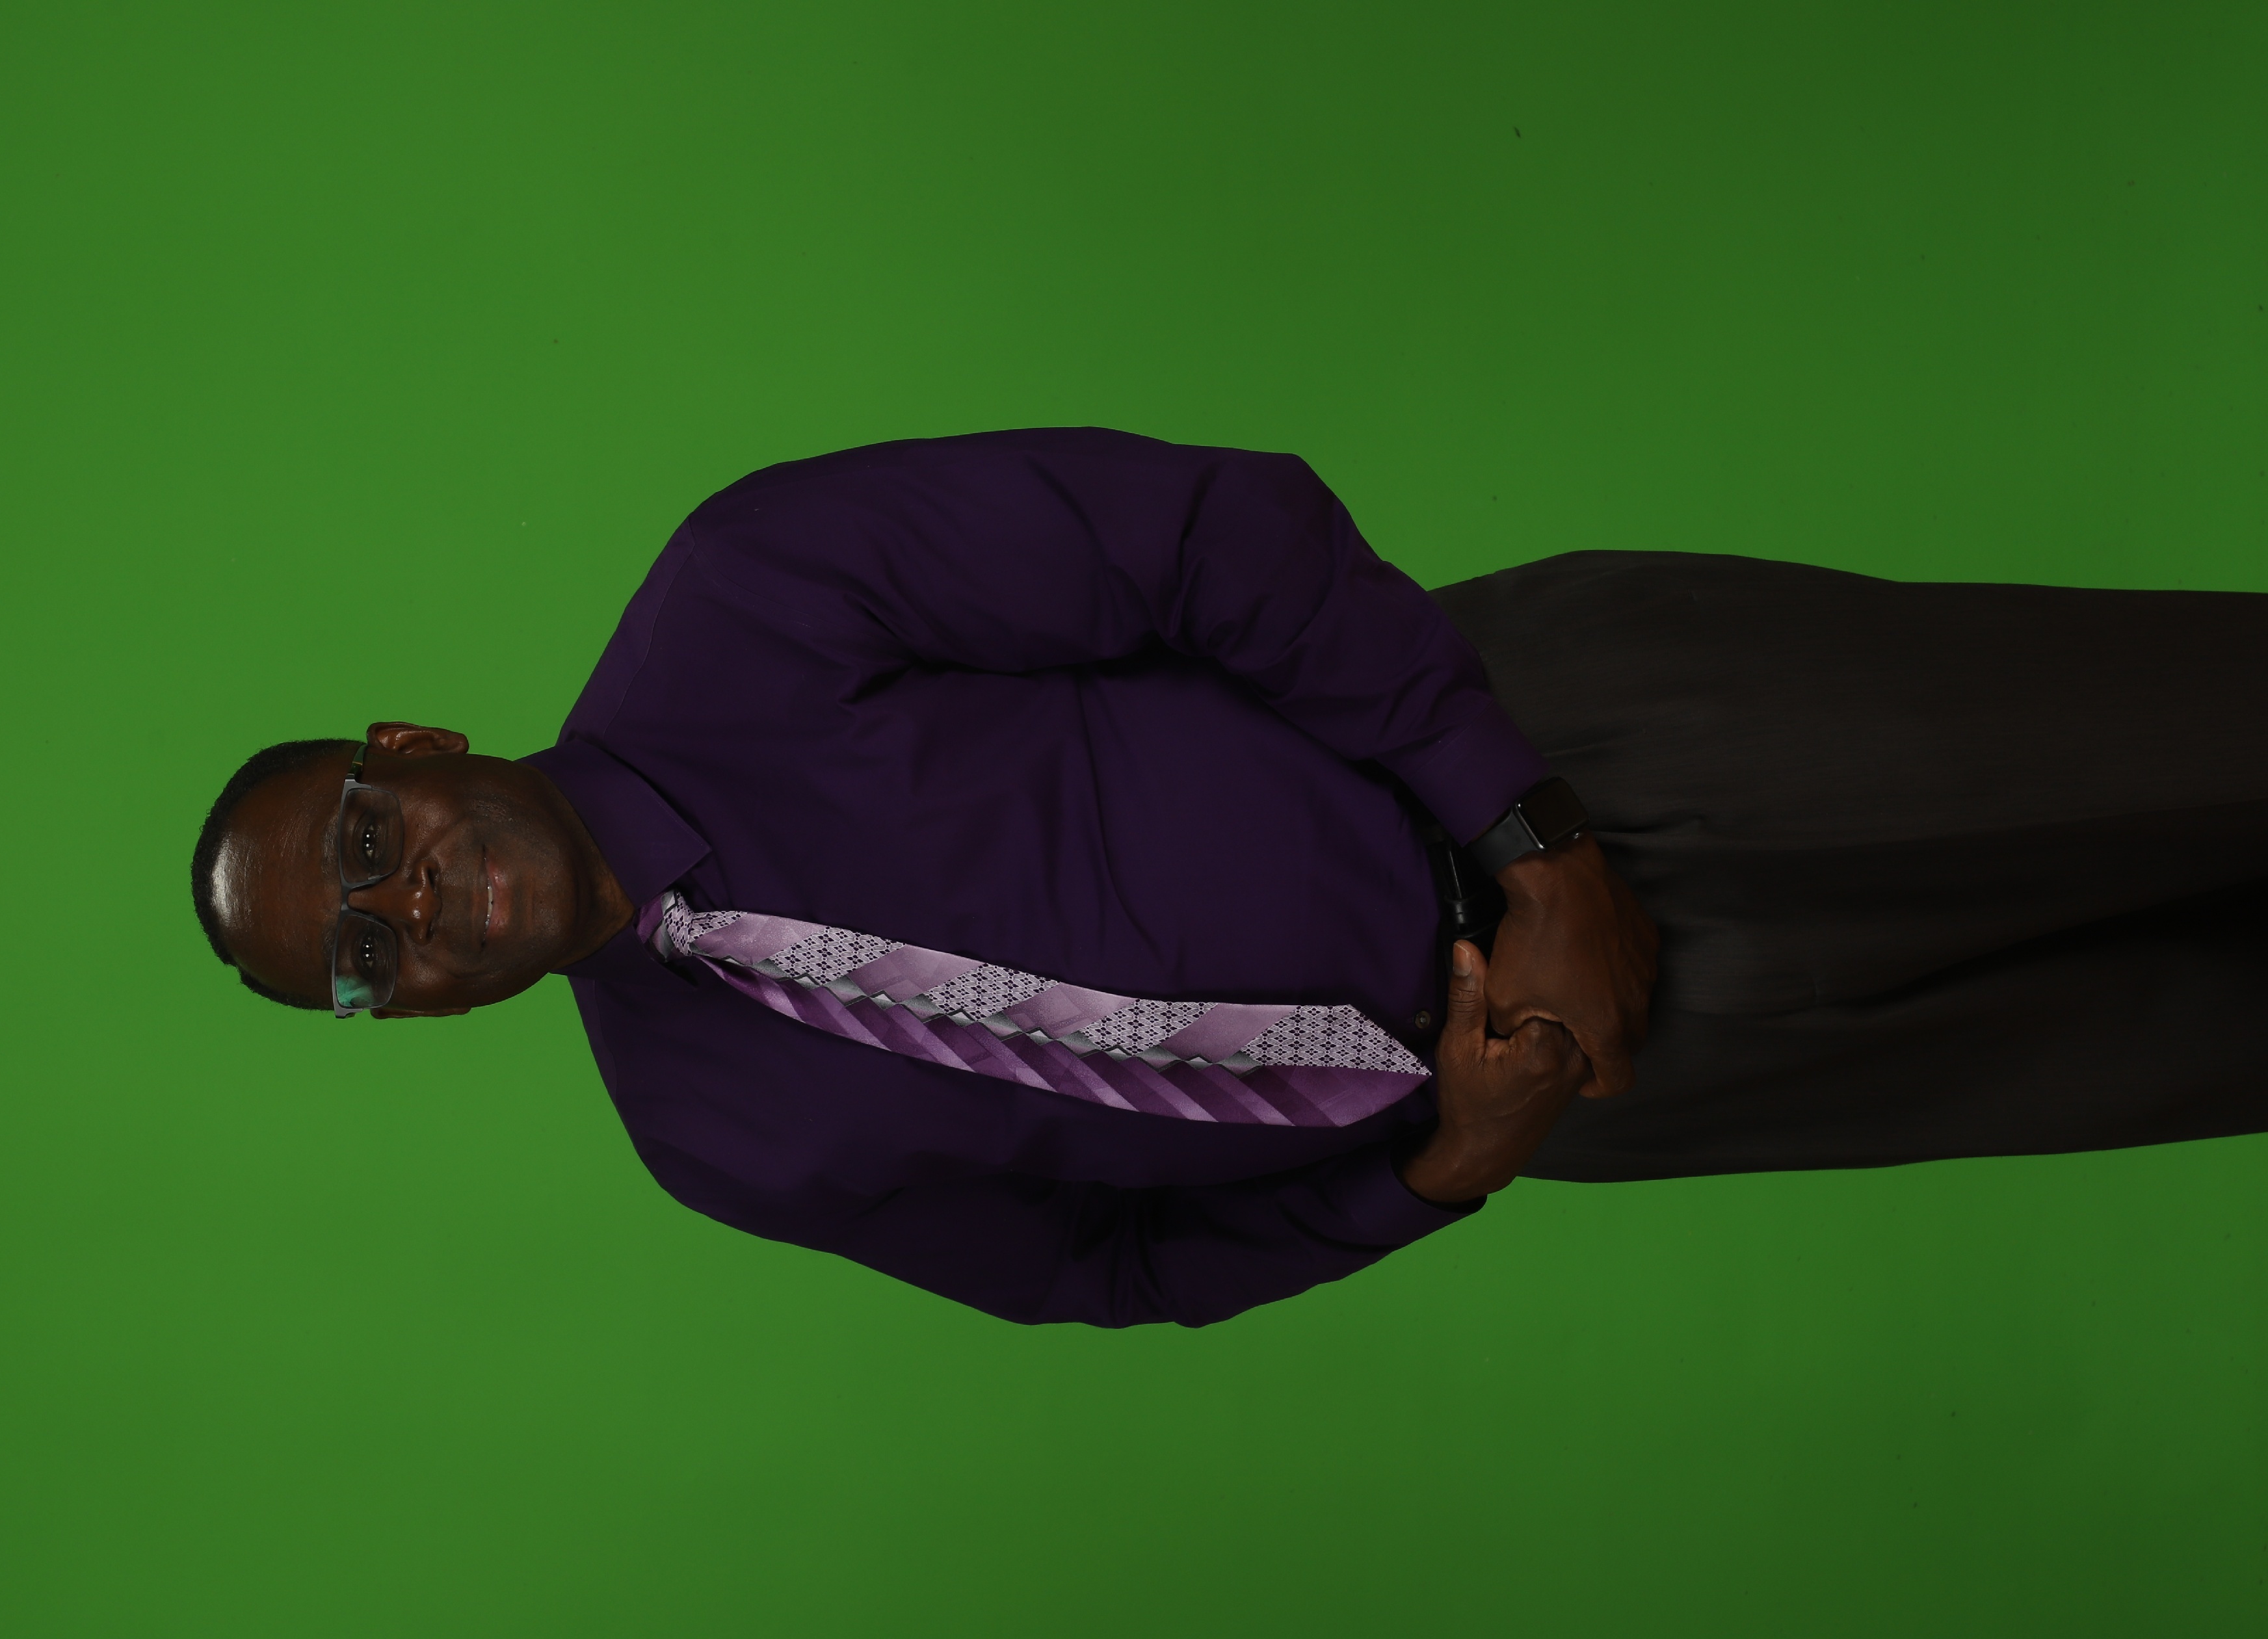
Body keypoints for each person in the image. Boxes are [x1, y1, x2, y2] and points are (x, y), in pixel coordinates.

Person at [191, 429, 2268, 1326]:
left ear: (412, 747)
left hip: (1590, 753)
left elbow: (1213, 539)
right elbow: (1114, 1269)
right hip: (1604, 1070)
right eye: (364, 956)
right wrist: (1454, 1162)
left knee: (2197, 745)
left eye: (370, 848)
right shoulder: (715, 1142)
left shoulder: (749, 596)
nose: (414, 911)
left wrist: (1538, 850)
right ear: (399, 1015)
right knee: (2183, 1036)